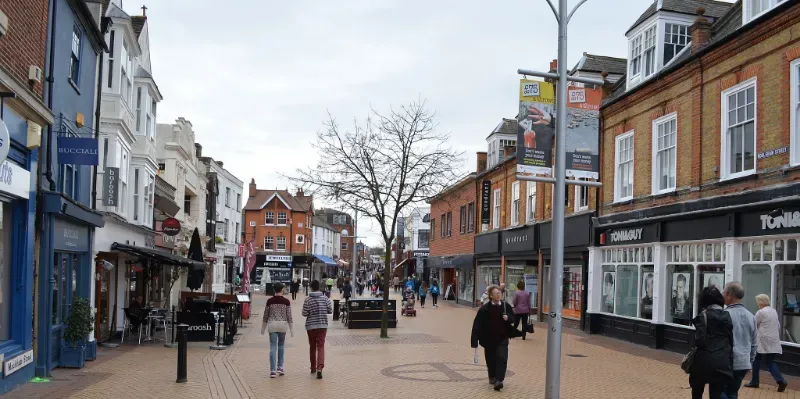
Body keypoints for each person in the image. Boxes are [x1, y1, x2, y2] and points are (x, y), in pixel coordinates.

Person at [688, 286, 733, 399]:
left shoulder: (703, 316)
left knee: (697, 392)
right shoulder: (727, 316)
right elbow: (730, 339)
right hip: (722, 360)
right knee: (716, 394)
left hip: (703, 360)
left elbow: (699, 340)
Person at [471, 285, 518, 391]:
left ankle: (499, 380)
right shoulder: (484, 309)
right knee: (491, 359)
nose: (498, 295)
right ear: (491, 296)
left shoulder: (506, 306)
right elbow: (477, 325)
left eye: (499, 293)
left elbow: (514, 318)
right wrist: (474, 340)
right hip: (489, 339)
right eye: (496, 293)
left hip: (502, 338)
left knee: (502, 358)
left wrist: (508, 318)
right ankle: (492, 375)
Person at [745, 294, 788, 392]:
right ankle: (781, 381)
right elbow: (778, 325)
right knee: (770, 362)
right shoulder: (774, 311)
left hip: (762, 340)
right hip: (773, 340)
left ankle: (755, 381)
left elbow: (754, 325)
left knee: (756, 359)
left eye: (757, 302)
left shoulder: (761, 312)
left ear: (760, 302)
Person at [721, 282, 756, 399]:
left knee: (720, 392)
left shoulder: (724, 315)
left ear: (729, 295)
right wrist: (749, 360)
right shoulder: (751, 316)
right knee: (732, 393)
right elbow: (754, 343)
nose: (722, 296)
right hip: (743, 363)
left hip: (726, 362)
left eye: (724, 293)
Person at [261, 282, 294, 378]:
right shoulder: (286, 301)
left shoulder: (270, 301)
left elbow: (265, 315)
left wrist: (263, 328)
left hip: (272, 326)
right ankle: (280, 367)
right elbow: (289, 316)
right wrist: (291, 329)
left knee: (273, 347)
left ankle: (272, 370)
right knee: (281, 346)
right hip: (282, 325)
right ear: (282, 289)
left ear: (274, 290)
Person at [302, 280, 332, 379]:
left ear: (311, 288)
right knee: (321, 347)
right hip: (322, 326)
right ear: (319, 287)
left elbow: (304, 313)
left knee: (312, 347)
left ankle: (313, 368)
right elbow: (330, 310)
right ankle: (320, 368)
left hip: (311, 326)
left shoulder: (307, 300)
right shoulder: (325, 298)